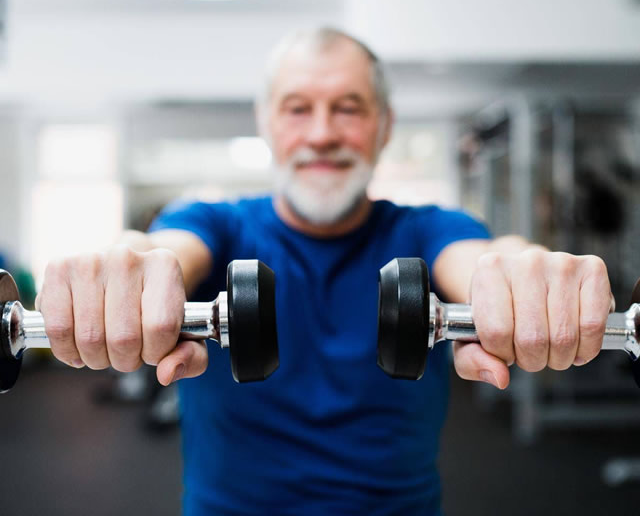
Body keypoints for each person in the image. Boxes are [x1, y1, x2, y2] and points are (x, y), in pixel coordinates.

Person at [37, 28, 614, 515]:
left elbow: (484, 261)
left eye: (348, 108)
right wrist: (128, 264)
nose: (321, 134)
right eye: (297, 109)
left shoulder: (429, 228)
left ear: (384, 126)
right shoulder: (212, 222)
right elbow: (162, 251)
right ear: (267, 123)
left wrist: (523, 272)